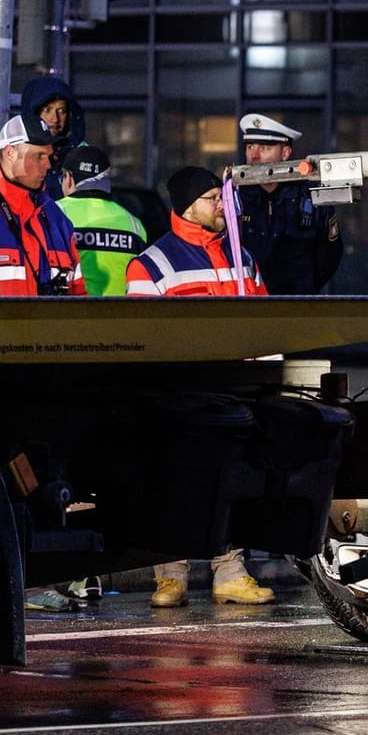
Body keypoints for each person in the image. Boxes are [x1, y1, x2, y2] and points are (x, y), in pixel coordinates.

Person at [128, 166, 275, 606]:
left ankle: (229, 570)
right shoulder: (151, 264)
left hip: (233, 392)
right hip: (178, 394)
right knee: (175, 481)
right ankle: (170, 575)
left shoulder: (241, 257)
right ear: (188, 205)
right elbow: (144, 341)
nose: (222, 207)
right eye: (213, 198)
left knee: (228, 481)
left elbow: (267, 323)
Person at [234, 113, 342, 294]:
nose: (254, 155)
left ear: (285, 153)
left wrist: (304, 288)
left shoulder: (310, 197)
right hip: (247, 306)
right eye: (250, 147)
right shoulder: (233, 198)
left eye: (264, 148)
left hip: (296, 306)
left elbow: (330, 255)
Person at [0, 113, 87, 297]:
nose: (48, 165)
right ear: (10, 153)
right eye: (39, 156)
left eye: (49, 156)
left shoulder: (57, 217)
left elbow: (78, 296)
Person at [54, 146, 146, 298]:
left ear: (69, 178)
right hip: (120, 316)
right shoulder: (134, 224)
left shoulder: (54, 213)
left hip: (71, 316)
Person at [20, 76, 86, 194]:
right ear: (32, 112)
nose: (55, 119)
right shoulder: (11, 153)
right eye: (47, 110)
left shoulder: (81, 154)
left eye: (62, 111)